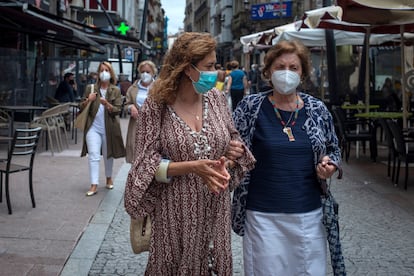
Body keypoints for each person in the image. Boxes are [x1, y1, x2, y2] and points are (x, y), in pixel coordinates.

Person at [124, 32, 255, 275]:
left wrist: (232, 152)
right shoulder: (157, 104)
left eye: (215, 65)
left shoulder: (216, 98)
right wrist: (191, 167)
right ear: (187, 68)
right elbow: (144, 163)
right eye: (208, 66)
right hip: (174, 210)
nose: (215, 72)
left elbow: (232, 136)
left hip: (214, 208)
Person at [231, 40, 344, 275]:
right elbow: (231, 149)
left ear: (302, 73)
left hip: (308, 214)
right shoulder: (249, 108)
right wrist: (230, 153)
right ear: (268, 71)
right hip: (262, 215)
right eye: (280, 66)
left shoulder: (317, 110)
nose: (286, 73)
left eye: (294, 67)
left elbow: (334, 148)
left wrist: (330, 165)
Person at [79, 61, 126, 196]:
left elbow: (118, 110)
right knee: (93, 155)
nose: (104, 72)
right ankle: (94, 184)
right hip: (92, 127)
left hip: (109, 127)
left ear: (111, 73)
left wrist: (107, 105)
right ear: (98, 74)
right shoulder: (91, 88)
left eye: (107, 70)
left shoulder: (115, 90)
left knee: (107, 154)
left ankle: (108, 177)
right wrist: (89, 100)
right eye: (102, 70)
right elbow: (80, 106)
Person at [124, 60, 157, 163]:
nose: (145, 74)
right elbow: (126, 105)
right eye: (142, 72)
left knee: (151, 156)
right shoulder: (133, 88)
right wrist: (130, 107)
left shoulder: (159, 88)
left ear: (153, 73)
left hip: (153, 126)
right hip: (136, 125)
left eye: (148, 72)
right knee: (135, 155)